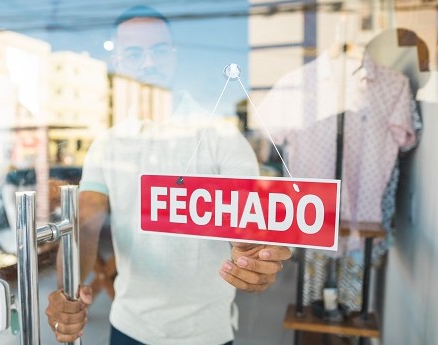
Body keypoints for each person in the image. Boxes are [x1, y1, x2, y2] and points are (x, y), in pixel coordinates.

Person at [45, 6, 292, 345]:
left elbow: (253, 231)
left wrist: (258, 259)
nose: (148, 62)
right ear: (118, 60)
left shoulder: (222, 138)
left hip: (206, 333)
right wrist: (66, 291)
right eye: (134, 52)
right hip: (130, 326)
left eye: (158, 50)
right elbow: (87, 223)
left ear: (173, 56)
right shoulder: (108, 143)